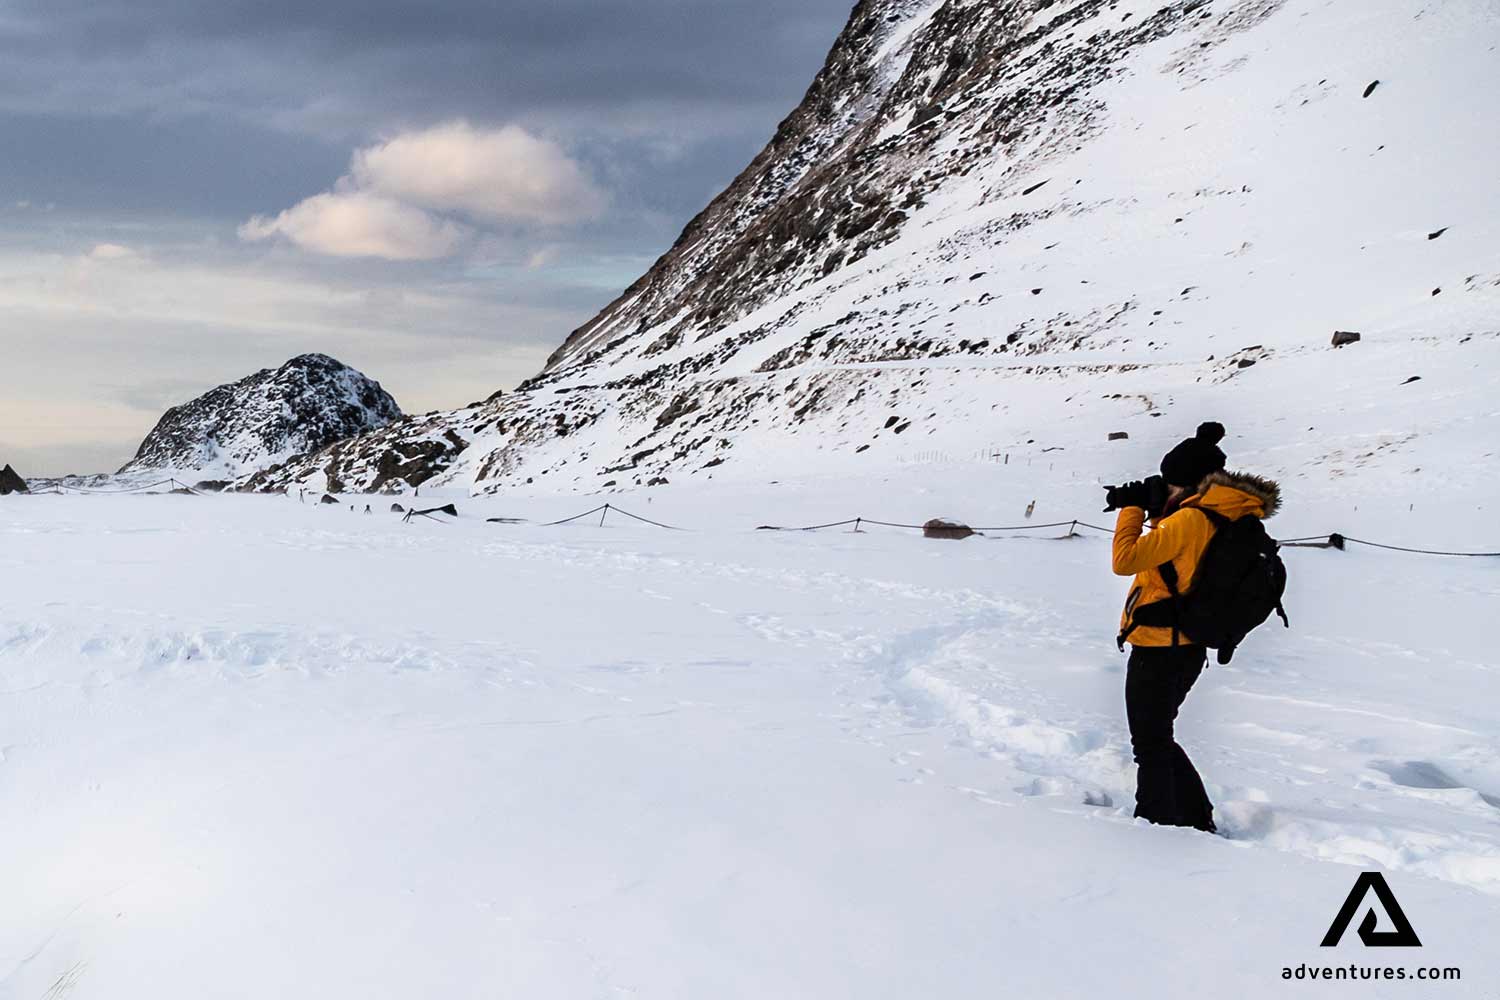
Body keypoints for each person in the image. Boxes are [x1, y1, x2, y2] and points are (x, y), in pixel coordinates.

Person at [1103, 422, 1281, 833]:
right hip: (1183, 645)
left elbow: (1124, 561)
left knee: (1149, 743)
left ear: (1182, 484)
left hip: (1161, 646)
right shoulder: (1211, 516)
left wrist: (1131, 509)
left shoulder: (1189, 521)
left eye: (1167, 483)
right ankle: (1196, 818)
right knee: (1156, 736)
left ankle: (1156, 823)